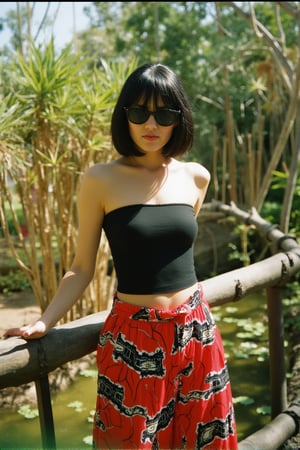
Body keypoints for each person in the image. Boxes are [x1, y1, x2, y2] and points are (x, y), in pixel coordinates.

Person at [4, 63, 238, 449]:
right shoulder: (100, 179)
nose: (151, 123)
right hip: (132, 339)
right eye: (139, 112)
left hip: (196, 332)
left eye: (164, 113)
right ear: (124, 115)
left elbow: (171, 252)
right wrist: (45, 322)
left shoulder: (196, 176)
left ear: (179, 119)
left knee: (204, 441)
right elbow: (81, 268)